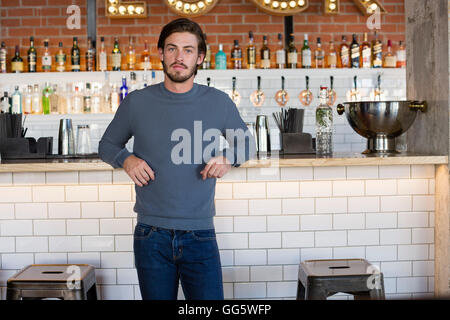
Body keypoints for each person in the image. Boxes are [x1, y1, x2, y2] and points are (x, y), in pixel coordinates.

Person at [98, 18, 256, 300]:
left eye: (188, 50)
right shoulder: (137, 102)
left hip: (200, 234)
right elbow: (107, 144)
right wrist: (127, 159)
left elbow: (246, 143)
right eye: (171, 49)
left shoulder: (218, 102)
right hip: (151, 235)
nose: (179, 57)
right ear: (161, 53)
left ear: (200, 57)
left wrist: (228, 158)